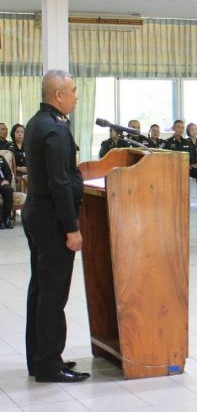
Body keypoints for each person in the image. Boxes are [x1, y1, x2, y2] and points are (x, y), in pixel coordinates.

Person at [23, 70, 90, 382]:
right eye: (73, 91)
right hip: (52, 219)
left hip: (36, 213)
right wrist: (72, 227)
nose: (76, 96)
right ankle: (49, 365)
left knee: (40, 288)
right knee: (53, 294)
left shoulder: (37, 122)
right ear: (59, 95)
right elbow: (60, 182)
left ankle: (39, 359)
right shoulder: (56, 129)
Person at [165, 120, 197, 210]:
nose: (180, 129)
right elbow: (166, 158)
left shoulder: (187, 142)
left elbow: (191, 156)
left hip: (187, 167)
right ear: (173, 128)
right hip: (174, 169)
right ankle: (176, 201)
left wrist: (191, 164)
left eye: (182, 128)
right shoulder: (167, 142)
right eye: (178, 127)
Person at [0, 153, 13, 229]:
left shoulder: (1, 158)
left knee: (8, 189)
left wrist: (7, 181)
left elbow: (9, 173)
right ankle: (0, 220)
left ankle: (7, 218)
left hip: (2, 183)